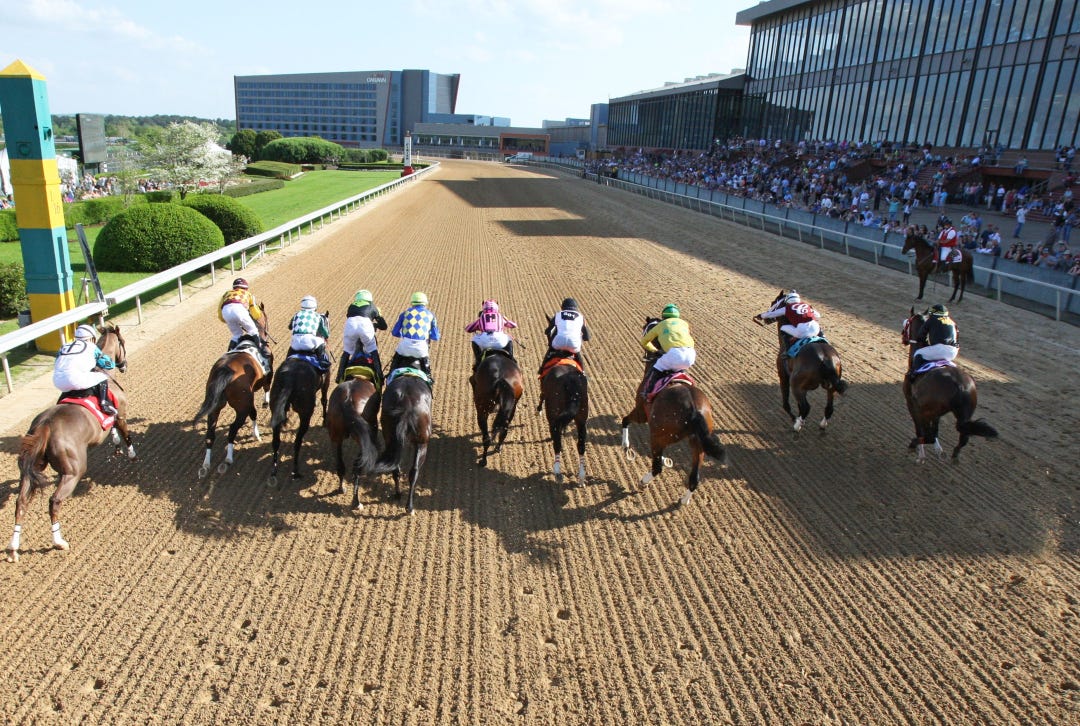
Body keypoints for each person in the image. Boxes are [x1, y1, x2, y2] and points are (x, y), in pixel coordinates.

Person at [53, 324, 118, 416]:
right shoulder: (91, 347)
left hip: (58, 381)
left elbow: (58, 363)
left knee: (68, 381)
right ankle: (104, 403)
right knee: (102, 376)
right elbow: (109, 365)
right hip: (75, 379)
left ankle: (60, 401)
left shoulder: (64, 347)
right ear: (92, 338)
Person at [638, 303, 696, 399]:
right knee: (678, 368)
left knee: (656, 368)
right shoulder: (684, 323)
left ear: (663, 316)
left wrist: (655, 350)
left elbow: (644, 341)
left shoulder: (661, 325)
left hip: (674, 354)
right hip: (691, 355)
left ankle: (647, 393)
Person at [338, 289, 387, 384]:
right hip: (365, 328)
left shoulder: (351, 306)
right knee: (373, 351)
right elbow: (384, 326)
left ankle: (339, 376)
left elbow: (351, 318)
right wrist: (376, 322)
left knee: (347, 351)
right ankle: (380, 377)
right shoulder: (372, 306)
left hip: (351, 326)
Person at [389, 291, 440, 379]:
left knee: (394, 364)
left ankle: (389, 376)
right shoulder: (431, 315)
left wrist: (402, 334)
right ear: (425, 303)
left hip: (404, 347)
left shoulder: (404, 313)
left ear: (412, 302)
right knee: (427, 374)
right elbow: (436, 337)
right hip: (421, 350)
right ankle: (429, 377)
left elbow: (394, 332)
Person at [219, 277, 269, 357]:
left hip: (226, 312)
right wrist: (256, 317)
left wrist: (226, 319)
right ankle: (262, 352)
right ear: (246, 288)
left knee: (237, 334)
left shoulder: (226, 294)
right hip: (239, 310)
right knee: (253, 331)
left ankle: (229, 353)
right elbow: (255, 312)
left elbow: (220, 312)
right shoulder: (248, 294)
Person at [754, 290, 821, 350]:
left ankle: (786, 349)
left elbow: (772, 314)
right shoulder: (806, 305)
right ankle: (823, 338)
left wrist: (761, 316)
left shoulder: (787, 308)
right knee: (815, 324)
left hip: (802, 332)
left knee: (783, 327)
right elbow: (818, 315)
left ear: (787, 301)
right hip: (816, 329)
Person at [909, 304, 959, 381]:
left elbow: (920, 336)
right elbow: (957, 339)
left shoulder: (932, 319)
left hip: (939, 349)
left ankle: (913, 375)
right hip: (953, 352)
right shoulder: (952, 322)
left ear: (933, 313)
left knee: (918, 353)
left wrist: (925, 344)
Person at [539, 297, 590, 373]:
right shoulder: (581, 317)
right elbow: (587, 337)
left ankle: (542, 369)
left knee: (550, 350)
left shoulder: (558, 315)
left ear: (563, 307)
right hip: (574, 345)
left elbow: (547, 331)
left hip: (558, 343)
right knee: (578, 354)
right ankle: (582, 372)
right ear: (576, 308)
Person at [464, 298, 517, 370]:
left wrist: (479, 327)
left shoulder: (481, 318)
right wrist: (507, 320)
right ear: (496, 308)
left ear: (484, 308)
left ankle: (478, 361)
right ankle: (511, 359)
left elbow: (468, 329)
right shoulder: (501, 317)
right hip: (500, 342)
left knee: (474, 339)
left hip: (485, 342)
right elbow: (514, 325)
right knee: (509, 338)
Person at [287, 295, 331, 372]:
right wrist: (326, 336)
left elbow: (290, 327)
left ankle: (287, 362)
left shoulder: (296, 314)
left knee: (289, 355)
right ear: (314, 305)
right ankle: (322, 362)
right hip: (309, 342)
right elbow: (323, 331)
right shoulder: (318, 316)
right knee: (321, 341)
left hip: (295, 343)